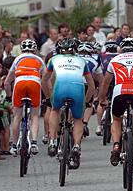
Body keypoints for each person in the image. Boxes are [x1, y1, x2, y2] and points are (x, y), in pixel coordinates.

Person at [41, 38, 95, 169]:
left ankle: (53, 141)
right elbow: (92, 86)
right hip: (78, 89)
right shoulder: (82, 61)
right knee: (78, 119)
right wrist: (86, 102)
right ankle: (76, 146)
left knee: (55, 110)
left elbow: (44, 80)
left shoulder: (53, 60)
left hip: (60, 88)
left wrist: (48, 97)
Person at [99, 38, 133, 165]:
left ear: (121, 49)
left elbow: (105, 83)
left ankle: (116, 145)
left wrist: (102, 99)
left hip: (119, 91)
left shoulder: (115, 60)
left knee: (116, 119)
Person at [4, 39, 45, 156]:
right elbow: (46, 77)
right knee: (35, 115)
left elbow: (7, 82)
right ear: (35, 49)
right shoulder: (39, 59)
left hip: (20, 83)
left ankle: (14, 145)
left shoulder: (17, 59)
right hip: (34, 82)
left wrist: (8, 96)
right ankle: (34, 143)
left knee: (17, 115)